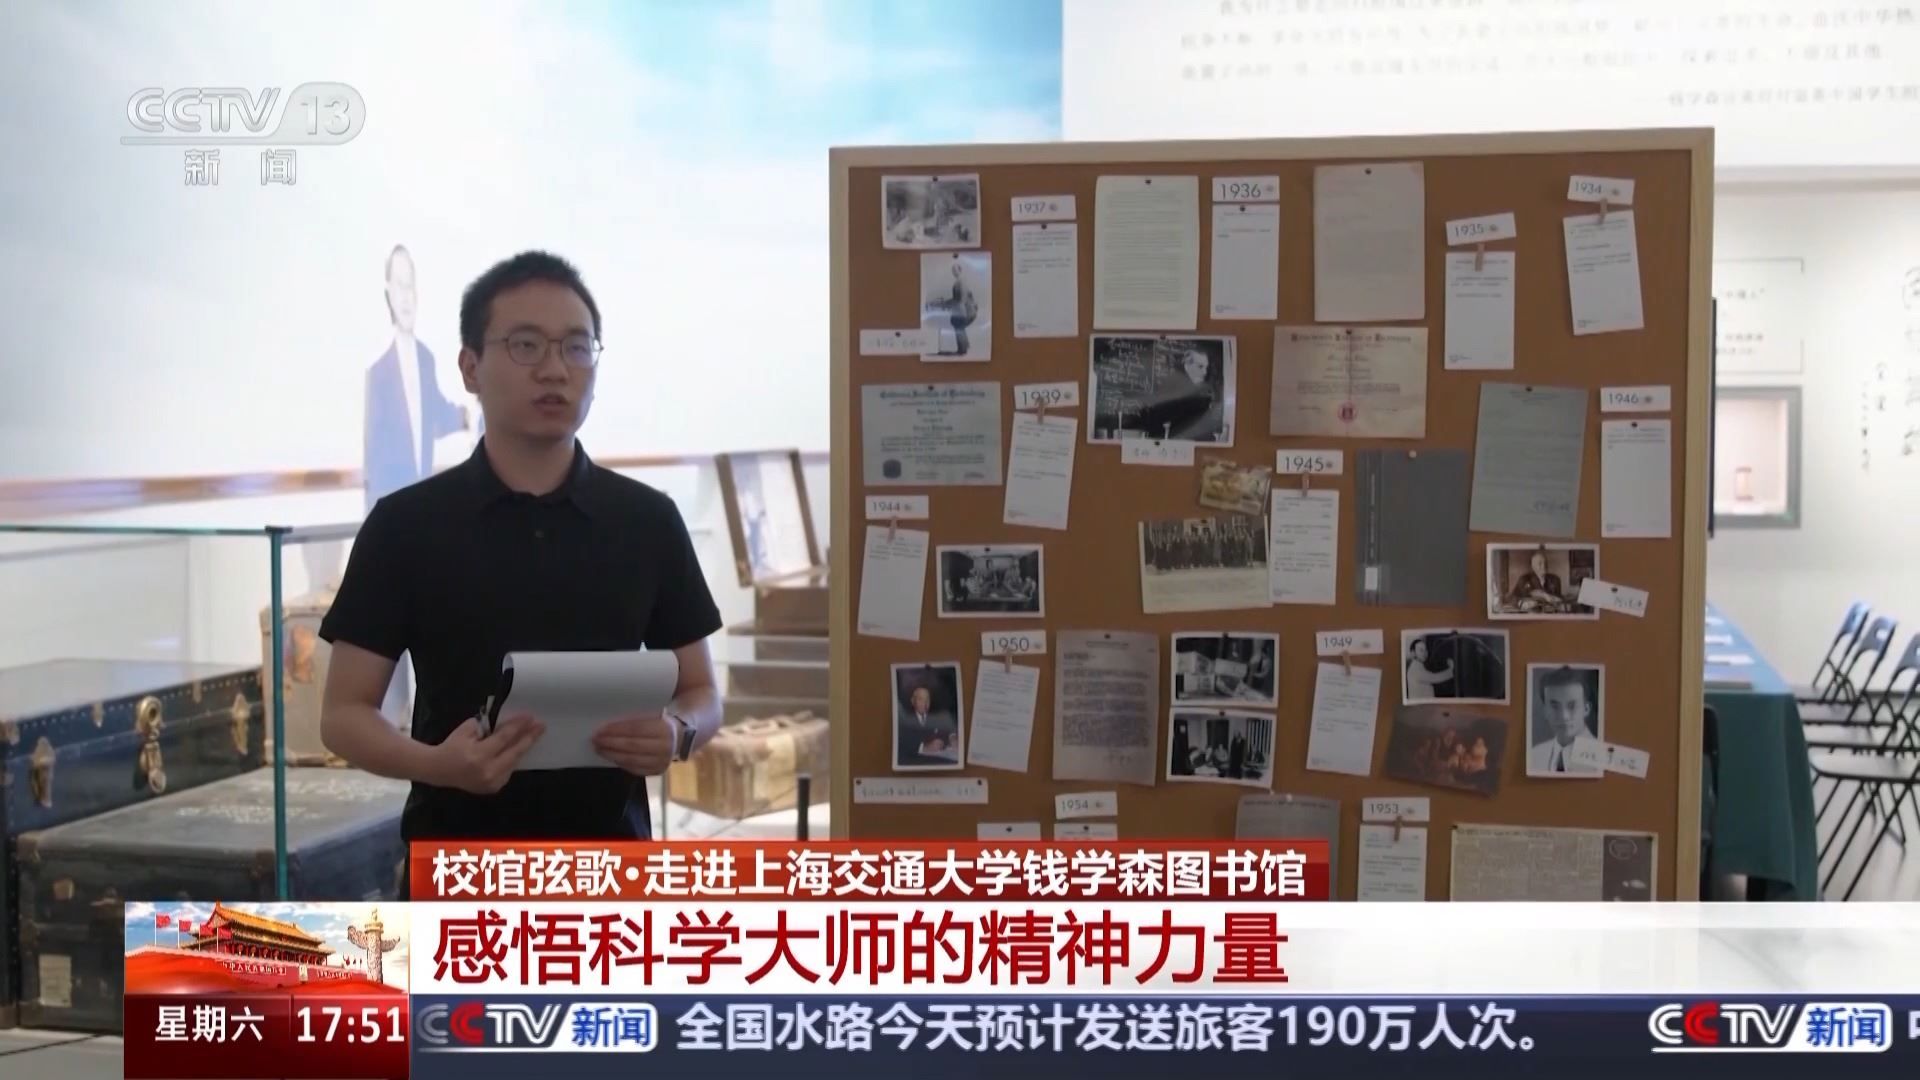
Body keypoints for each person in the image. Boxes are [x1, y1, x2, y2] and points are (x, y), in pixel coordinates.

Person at [317, 251, 723, 884]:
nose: (555, 369)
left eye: (576, 347)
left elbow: (702, 693)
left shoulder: (646, 521)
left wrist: (677, 732)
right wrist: (437, 764)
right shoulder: (407, 525)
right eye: (526, 345)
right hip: (458, 874)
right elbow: (344, 715)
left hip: (610, 877)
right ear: (470, 368)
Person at [361, 244, 473, 721]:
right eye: (399, 285)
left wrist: (470, 414)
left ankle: (412, 717)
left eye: (413, 286)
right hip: (392, 519)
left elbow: (435, 416)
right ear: (388, 292)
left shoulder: (426, 358)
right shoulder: (377, 370)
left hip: (427, 518)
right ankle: (391, 721)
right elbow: (375, 449)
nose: (407, 296)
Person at [1529, 666, 1601, 775]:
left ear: (1586, 709)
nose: (1564, 716)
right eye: (1555, 706)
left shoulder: (1601, 758)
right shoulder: (1534, 755)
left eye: (1572, 706)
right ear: (1545, 711)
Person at [896, 684, 958, 766]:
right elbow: (901, 742)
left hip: (936, 760)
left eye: (927, 699)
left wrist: (952, 737)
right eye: (920, 699)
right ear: (913, 701)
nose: (925, 703)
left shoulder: (934, 716)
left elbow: (946, 730)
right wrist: (923, 748)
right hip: (913, 762)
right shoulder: (905, 719)